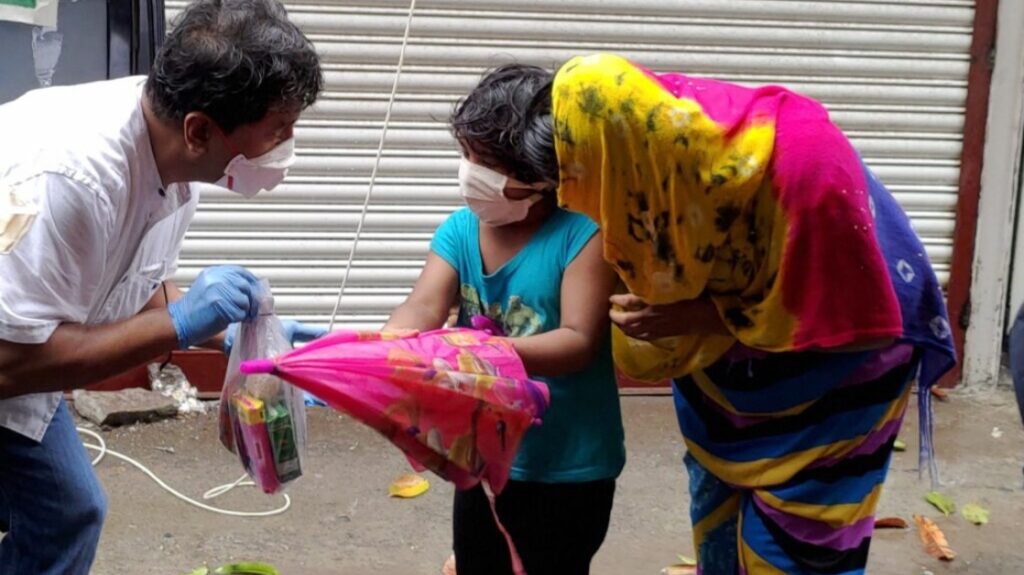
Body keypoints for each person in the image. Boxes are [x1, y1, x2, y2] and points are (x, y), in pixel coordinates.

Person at [469, 54, 956, 575]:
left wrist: (701, 319)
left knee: (799, 547)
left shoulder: (805, 170)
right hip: (723, 372)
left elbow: (857, 325)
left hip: (830, 375)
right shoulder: (625, 153)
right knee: (717, 521)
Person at [0, 1, 324, 573]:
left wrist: (240, 338)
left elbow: (145, 292)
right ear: (201, 129)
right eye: (279, 130)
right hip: (13, 358)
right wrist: (179, 322)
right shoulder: (71, 180)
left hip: (24, 346)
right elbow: (11, 364)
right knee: (61, 511)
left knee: (66, 513)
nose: (287, 147)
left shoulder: (177, 159)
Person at [384, 64, 626, 575]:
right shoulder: (460, 229)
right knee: (478, 562)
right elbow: (424, 306)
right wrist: (393, 340)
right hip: (483, 456)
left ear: (541, 176)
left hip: (570, 467)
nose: (470, 173)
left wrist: (475, 353)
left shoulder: (582, 235)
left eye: (488, 163)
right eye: (468, 156)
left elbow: (578, 342)